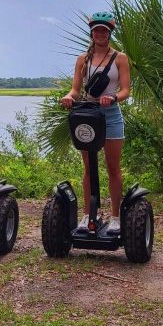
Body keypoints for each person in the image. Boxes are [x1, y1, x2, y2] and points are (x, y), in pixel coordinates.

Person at [60, 12, 132, 234]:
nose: (100, 34)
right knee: (89, 168)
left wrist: (113, 98)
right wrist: (70, 96)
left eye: (104, 31)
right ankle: (87, 214)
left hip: (110, 115)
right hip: (88, 115)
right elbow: (75, 88)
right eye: (96, 30)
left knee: (113, 168)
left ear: (109, 33)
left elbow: (126, 90)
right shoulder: (83, 59)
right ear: (92, 33)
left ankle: (116, 217)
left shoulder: (120, 58)